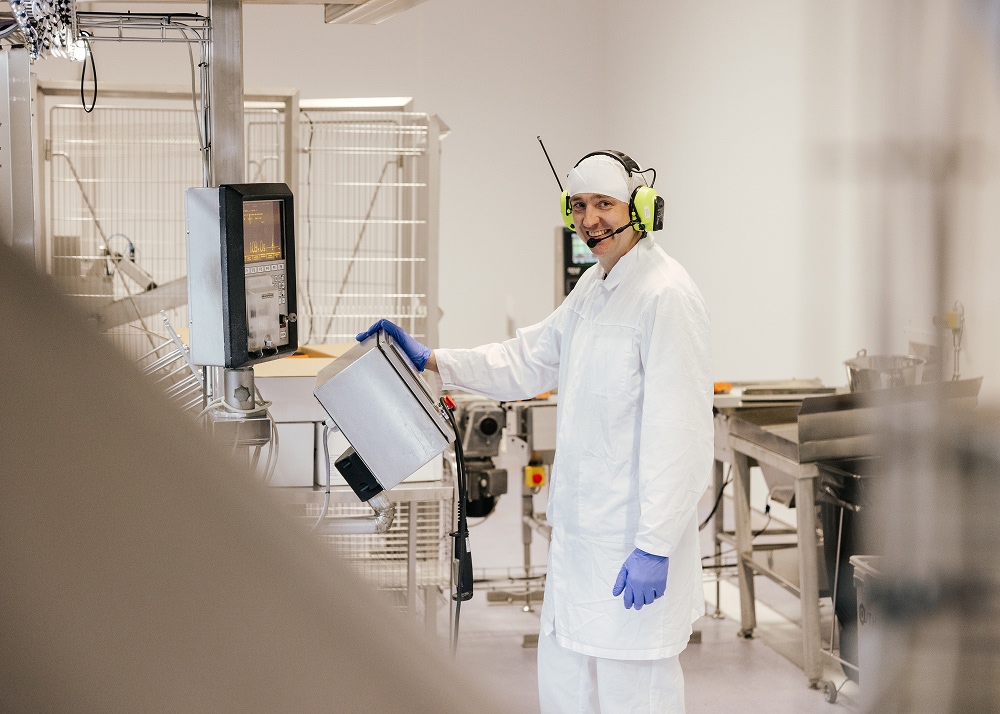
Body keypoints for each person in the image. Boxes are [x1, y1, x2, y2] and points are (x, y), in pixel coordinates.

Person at [357, 150, 713, 714]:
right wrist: (434, 360)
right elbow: (527, 360)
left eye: (604, 203)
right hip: (579, 547)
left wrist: (655, 544)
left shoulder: (665, 294)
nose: (590, 220)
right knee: (567, 691)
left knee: (634, 696)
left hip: (630, 547)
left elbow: (681, 431)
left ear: (640, 207)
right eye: (579, 206)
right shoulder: (594, 287)